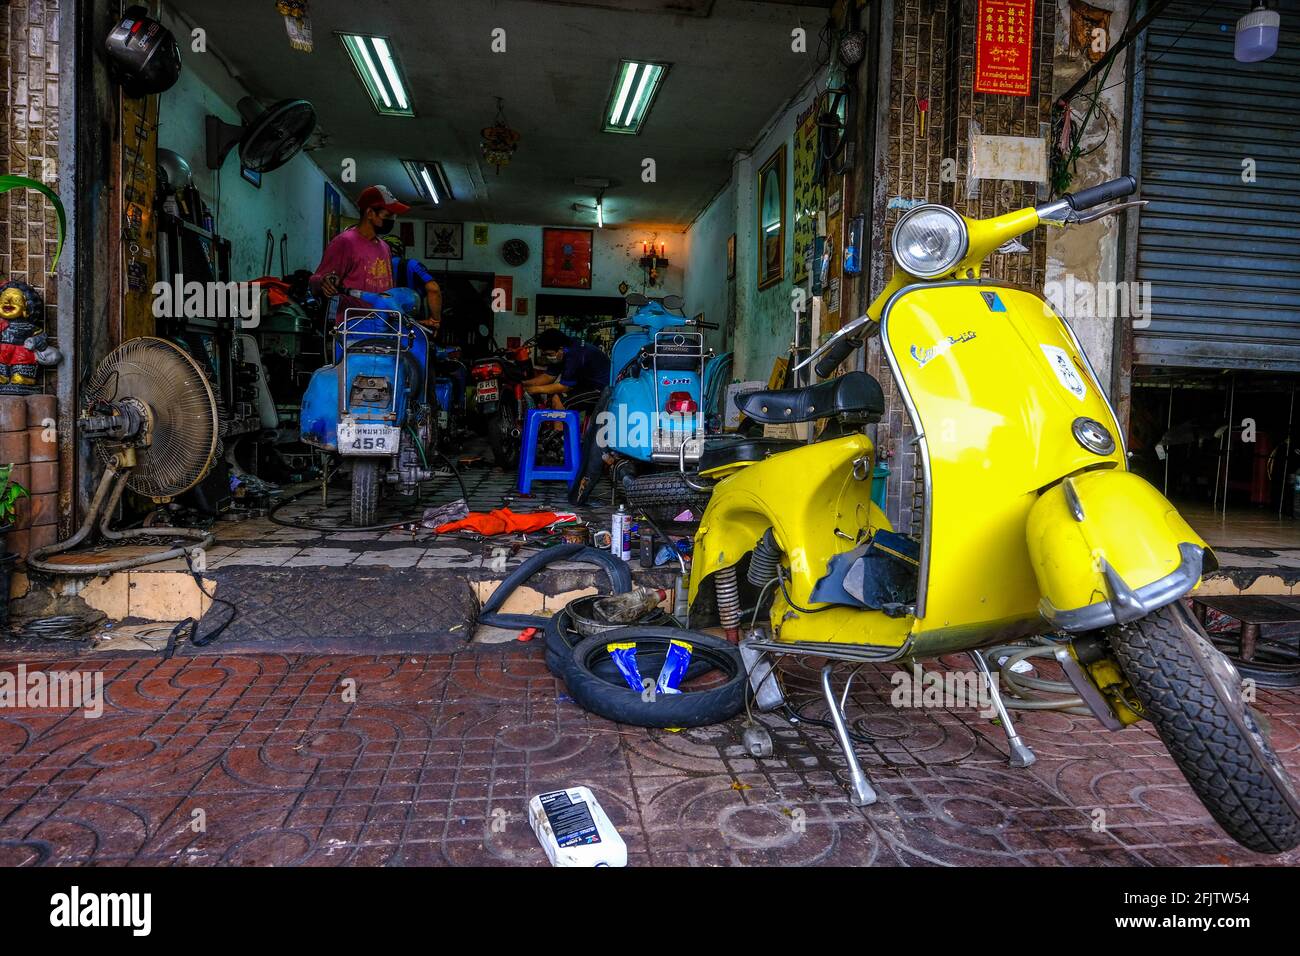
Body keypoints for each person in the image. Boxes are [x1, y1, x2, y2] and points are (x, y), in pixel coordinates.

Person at [309, 184, 409, 322]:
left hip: (383, 326)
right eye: (388, 215)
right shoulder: (344, 242)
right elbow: (315, 280)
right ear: (369, 213)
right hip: (353, 328)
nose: (392, 220)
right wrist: (324, 281)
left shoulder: (384, 247)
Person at [523, 327, 610, 410]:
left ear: (561, 349)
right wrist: (523, 383)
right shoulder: (561, 351)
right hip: (586, 385)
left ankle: (561, 425)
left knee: (558, 401)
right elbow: (548, 377)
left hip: (601, 389)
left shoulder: (575, 353)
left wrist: (535, 389)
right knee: (552, 399)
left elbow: (565, 387)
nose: (548, 357)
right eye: (545, 355)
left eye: (550, 354)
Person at [382, 234, 443, 333]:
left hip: (380, 321)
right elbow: (433, 289)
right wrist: (435, 320)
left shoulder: (371, 266)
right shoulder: (411, 265)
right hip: (412, 323)